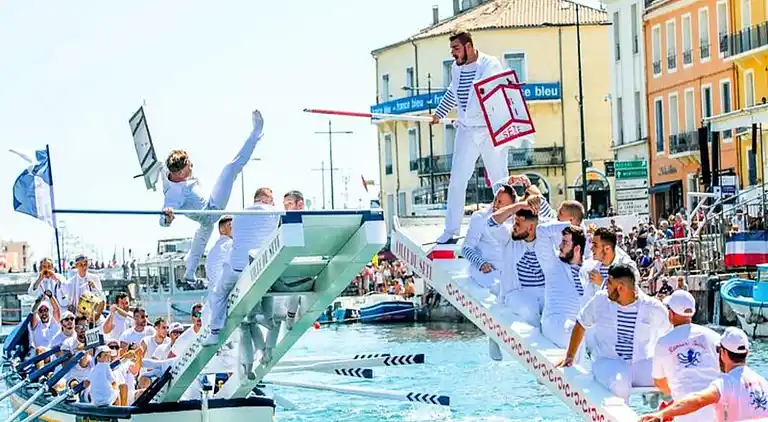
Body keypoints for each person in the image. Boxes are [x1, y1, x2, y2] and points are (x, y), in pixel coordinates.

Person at [160, 110, 264, 283]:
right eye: (188, 167)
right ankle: (256, 133)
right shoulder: (174, 194)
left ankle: (190, 270)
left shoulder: (166, 172)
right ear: (178, 173)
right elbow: (163, 220)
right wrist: (168, 217)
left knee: (203, 233)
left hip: (204, 214)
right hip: (211, 210)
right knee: (231, 169)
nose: (192, 166)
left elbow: (157, 168)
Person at [431, 27, 509, 244]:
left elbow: (483, 91)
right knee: (457, 180)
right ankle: (451, 231)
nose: (453, 54)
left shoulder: (489, 64)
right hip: (467, 130)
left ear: (468, 46)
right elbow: (453, 92)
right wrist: (439, 113)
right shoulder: (456, 69)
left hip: (489, 130)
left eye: (456, 48)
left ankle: (505, 226)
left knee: (500, 180)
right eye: (451, 49)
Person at [558, 263, 670, 401]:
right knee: (620, 385)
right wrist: (570, 356)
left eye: (609, 283)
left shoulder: (652, 307)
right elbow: (581, 323)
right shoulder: (600, 300)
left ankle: (660, 405)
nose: (606, 286)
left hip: (638, 363)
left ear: (621, 287)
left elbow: (670, 335)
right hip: (607, 362)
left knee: (674, 376)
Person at [205, 187, 279, 351]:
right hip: (261, 267)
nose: (274, 202)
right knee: (266, 283)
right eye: (272, 199)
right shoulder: (275, 211)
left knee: (218, 293)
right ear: (265, 200)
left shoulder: (238, 215)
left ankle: (215, 332)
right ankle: (268, 318)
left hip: (237, 269)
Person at [640, 327, 768, 422]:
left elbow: (698, 400)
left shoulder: (725, 383)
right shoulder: (763, 382)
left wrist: (661, 414)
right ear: (747, 353)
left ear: (723, 352)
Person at [462, 183, 516, 361]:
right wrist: (480, 263)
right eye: (496, 200)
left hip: (505, 270)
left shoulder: (515, 221)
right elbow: (466, 248)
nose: (496, 204)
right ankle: (493, 336)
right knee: (496, 291)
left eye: (501, 203)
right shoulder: (480, 217)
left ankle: (506, 337)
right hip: (485, 269)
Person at [649, 290, 720, 422]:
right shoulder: (713, 336)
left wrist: (675, 395)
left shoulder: (663, 343)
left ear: (671, 313)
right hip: (716, 409)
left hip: (685, 413)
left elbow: (660, 382)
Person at [541, 225, 588, 349]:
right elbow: (541, 231)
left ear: (577, 248)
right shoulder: (552, 263)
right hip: (556, 323)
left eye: (565, 242)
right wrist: (568, 224)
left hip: (580, 325)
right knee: (575, 336)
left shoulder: (588, 270)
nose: (560, 246)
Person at [581, 227, 639, 301]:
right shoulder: (591, 268)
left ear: (607, 249)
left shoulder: (627, 266)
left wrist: (603, 283)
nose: (591, 249)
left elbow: (630, 294)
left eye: (595, 245)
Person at [203, 215, 233, 324]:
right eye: (230, 225)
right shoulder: (230, 244)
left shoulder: (212, 250)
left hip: (214, 297)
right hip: (224, 293)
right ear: (222, 229)